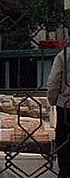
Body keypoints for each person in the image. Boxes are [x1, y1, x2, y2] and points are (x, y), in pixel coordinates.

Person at [47, 45, 70, 177]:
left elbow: (55, 80)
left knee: (64, 142)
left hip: (66, 106)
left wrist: (53, 100)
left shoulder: (64, 55)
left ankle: (65, 172)